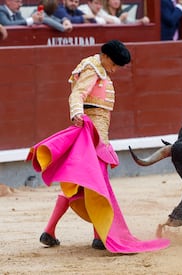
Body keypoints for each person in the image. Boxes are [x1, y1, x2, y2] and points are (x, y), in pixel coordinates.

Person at [27, 40, 170, 253]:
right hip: (91, 137)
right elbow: (77, 94)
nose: (115, 69)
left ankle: (51, 231)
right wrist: (76, 112)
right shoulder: (93, 67)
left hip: (95, 137)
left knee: (81, 183)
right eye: (114, 64)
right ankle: (98, 236)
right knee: (95, 183)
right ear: (105, 56)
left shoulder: (99, 69)